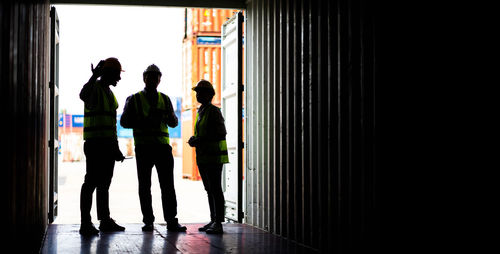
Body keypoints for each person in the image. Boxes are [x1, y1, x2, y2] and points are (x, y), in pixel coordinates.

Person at [120, 64, 186, 232]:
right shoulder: (133, 99)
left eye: (155, 77)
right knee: (144, 186)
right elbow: (124, 122)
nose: (152, 80)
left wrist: (165, 115)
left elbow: (174, 122)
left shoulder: (165, 99)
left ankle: (171, 220)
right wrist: (144, 119)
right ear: (144, 78)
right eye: (149, 76)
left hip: (163, 149)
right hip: (144, 149)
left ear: (159, 80)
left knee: (168, 186)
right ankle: (148, 221)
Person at [79, 57, 126, 236]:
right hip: (95, 144)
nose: (119, 79)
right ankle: (85, 223)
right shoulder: (95, 89)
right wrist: (93, 77)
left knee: (104, 184)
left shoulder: (109, 94)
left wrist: (115, 148)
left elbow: (111, 125)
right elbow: (83, 95)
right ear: (108, 73)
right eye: (117, 74)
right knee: (91, 182)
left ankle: (104, 220)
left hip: (107, 144)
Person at [188, 80, 229, 234]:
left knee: (216, 189)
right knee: (209, 189)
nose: (198, 94)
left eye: (201, 92)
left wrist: (200, 140)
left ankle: (218, 222)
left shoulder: (213, 111)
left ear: (210, 95)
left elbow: (221, 133)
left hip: (213, 158)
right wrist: (195, 139)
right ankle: (213, 220)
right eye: (197, 92)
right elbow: (203, 133)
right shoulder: (201, 111)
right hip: (204, 158)